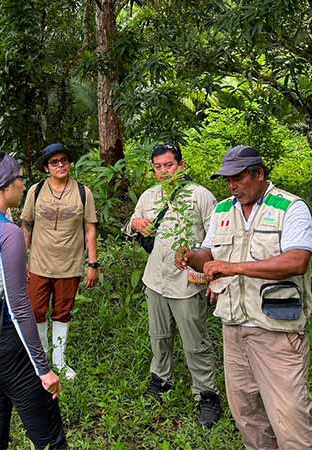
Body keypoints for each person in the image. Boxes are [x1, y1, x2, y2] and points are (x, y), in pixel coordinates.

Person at [177, 145, 312, 450]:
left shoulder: (290, 208)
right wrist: (192, 256)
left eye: (239, 178)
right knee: (247, 415)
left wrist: (234, 267)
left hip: (277, 332)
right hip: (234, 328)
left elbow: (297, 261)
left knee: (291, 418)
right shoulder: (223, 210)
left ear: (259, 174)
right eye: (227, 179)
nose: (232, 185)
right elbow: (210, 257)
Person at [0, 148, 67, 450]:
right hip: (7, 347)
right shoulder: (7, 231)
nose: (23, 184)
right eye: (20, 178)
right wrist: (43, 369)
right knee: (49, 435)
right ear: (5, 185)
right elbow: (19, 307)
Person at [125, 143, 221, 427]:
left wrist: (207, 269)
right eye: (158, 167)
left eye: (168, 165)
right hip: (155, 278)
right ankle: (161, 379)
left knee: (196, 342)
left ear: (181, 165)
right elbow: (131, 226)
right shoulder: (149, 196)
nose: (164, 171)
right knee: (159, 336)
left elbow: (214, 239)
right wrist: (136, 224)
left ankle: (206, 394)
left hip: (188, 282)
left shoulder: (200, 196)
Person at [22, 143, 99, 380]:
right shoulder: (36, 191)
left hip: (69, 264)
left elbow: (90, 230)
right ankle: (41, 357)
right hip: (38, 263)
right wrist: (22, 258)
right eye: (54, 162)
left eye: (63, 160)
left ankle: (59, 360)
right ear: (46, 167)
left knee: (62, 312)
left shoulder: (83, 192)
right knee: (36, 310)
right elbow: (26, 224)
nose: (60, 165)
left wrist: (92, 264)